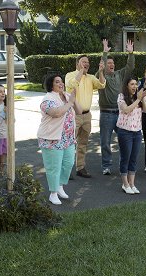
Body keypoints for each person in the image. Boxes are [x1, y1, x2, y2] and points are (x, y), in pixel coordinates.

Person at [37, 75, 82, 205]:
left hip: (68, 138)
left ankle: (60, 186)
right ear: (51, 85)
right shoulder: (47, 99)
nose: (61, 84)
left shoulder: (67, 96)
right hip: (52, 138)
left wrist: (73, 99)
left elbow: (79, 111)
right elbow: (56, 113)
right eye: (57, 82)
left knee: (68, 164)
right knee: (54, 167)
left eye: (61, 81)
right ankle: (53, 193)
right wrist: (69, 102)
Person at [97, 39, 135, 175]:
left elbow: (130, 67)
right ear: (104, 66)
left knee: (124, 140)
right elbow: (101, 68)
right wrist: (105, 53)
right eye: (109, 63)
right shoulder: (100, 76)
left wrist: (130, 54)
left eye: (113, 63)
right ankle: (106, 166)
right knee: (105, 142)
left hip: (120, 113)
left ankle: (123, 165)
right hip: (106, 114)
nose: (111, 65)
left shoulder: (120, 74)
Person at [65, 55, 106, 178]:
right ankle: (66, 170)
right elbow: (72, 84)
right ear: (78, 63)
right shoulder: (70, 75)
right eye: (83, 62)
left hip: (87, 115)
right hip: (73, 115)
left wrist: (102, 71)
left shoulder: (91, 77)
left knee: (83, 143)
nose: (86, 64)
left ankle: (80, 168)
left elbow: (101, 84)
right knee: (69, 143)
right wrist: (81, 72)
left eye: (87, 62)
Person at [116, 77, 146, 194]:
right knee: (126, 158)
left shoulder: (137, 97)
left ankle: (132, 184)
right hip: (125, 132)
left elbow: (145, 110)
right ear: (127, 86)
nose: (134, 86)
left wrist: (142, 99)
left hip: (137, 132)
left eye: (136, 84)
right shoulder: (121, 96)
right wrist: (138, 99)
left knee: (133, 159)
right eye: (132, 84)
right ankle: (125, 184)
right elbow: (126, 110)